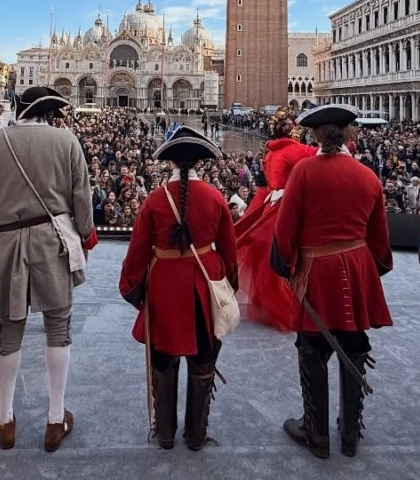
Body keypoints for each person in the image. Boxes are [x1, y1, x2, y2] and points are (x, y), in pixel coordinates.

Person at [0, 86, 95, 453]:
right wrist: (83, 232)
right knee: (58, 323)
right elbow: (81, 196)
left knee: (9, 327)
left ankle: (5, 419)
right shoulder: (66, 141)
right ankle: (55, 419)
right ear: (48, 113)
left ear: (19, 109)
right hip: (52, 240)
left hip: (7, 243)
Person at [270, 105, 393, 459]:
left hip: (316, 271)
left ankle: (316, 431)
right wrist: (372, 271)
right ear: (347, 135)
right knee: (354, 345)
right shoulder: (368, 175)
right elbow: (379, 237)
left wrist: (284, 265)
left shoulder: (305, 172)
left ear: (315, 136)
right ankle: (351, 432)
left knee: (312, 347)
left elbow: (286, 227)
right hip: (356, 267)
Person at [119, 127, 238, 451]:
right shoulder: (215, 197)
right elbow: (229, 251)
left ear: (169, 162)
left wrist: (131, 288)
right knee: (203, 361)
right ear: (200, 162)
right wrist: (229, 282)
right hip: (202, 288)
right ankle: (196, 435)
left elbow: (137, 252)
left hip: (164, 289)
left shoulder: (154, 200)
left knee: (163, 359)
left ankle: (166, 433)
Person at [235, 137, 315, 331]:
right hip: (284, 202)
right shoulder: (295, 150)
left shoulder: (271, 152)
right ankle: (284, 303)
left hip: (272, 200)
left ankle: (267, 297)